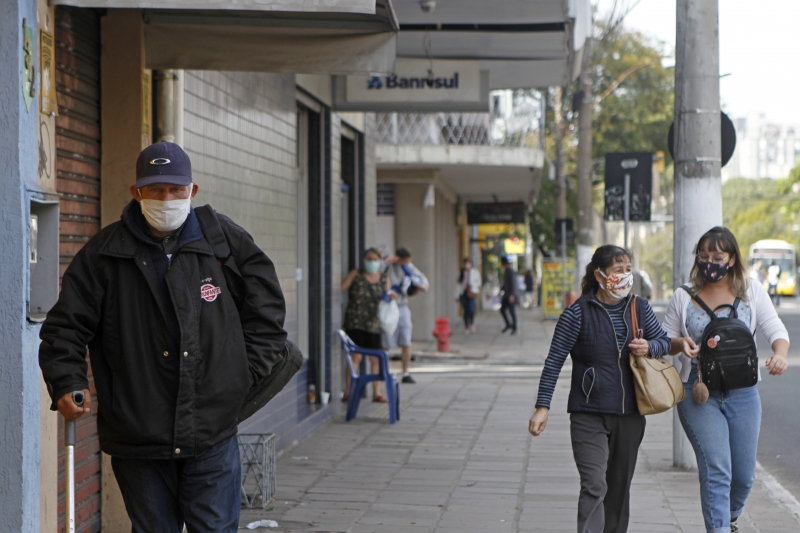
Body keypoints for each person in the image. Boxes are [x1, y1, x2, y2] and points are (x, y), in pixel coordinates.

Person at [38, 141, 287, 532]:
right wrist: (67, 382)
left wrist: (239, 377)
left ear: (193, 191)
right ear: (137, 193)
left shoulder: (225, 243)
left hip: (211, 430)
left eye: (175, 189)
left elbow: (266, 315)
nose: (166, 198)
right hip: (139, 433)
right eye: (156, 190)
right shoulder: (104, 254)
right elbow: (65, 327)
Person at [528, 245, 671, 533]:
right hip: (588, 413)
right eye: (618, 270)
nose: (625, 276)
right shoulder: (576, 313)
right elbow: (554, 360)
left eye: (628, 270)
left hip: (630, 413)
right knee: (594, 484)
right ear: (600, 274)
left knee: (618, 489)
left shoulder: (639, 308)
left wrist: (649, 346)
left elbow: (664, 342)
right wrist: (542, 407)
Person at [663, 227, 789, 533]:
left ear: (731, 259)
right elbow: (662, 341)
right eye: (703, 256)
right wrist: (681, 344)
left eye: (717, 257)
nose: (710, 262)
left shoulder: (751, 291)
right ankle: (718, 527)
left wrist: (780, 355)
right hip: (699, 391)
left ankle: (728, 516)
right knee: (717, 468)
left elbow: (777, 332)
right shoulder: (683, 296)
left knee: (744, 476)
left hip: (744, 393)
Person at [342, 248, 394, 402]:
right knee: (355, 356)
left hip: (374, 324)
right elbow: (341, 288)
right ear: (364, 260)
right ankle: (348, 391)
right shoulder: (356, 274)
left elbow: (389, 299)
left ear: (379, 261)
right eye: (369, 259)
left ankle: (376, 392)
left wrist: (391, 297)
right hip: (355, 322)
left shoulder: (384, 279)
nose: (372, 262)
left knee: (375, 359)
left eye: (375, 259)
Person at [383, 247, 429, 384]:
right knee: (386, 341)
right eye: (404, 261)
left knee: (406, 340)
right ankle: (386, 372)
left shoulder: (407, 267)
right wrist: (386, 262)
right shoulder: (387, 265)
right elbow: (376, 273)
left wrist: (420, 286)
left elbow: (424, 281)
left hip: (402, 306)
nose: (406, 264)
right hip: (387, 305)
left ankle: (406, 372)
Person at [458, 257, 481, 333]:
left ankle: (472, 322)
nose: (467, 265)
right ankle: (466, 326)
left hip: (472, 292)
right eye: (466, 263)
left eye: (468, 263)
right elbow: (458, 283)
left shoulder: (475, 272)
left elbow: (479, 282)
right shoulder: (462, 272)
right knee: (465, 310)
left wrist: (472, 285)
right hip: (463, 293)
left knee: (471, 309)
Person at [499, 256, 519, 334]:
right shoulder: (506, 270)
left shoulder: (510, 270)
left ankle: (514, 328)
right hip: (507, 295)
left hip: (511, 295)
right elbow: (506, 283)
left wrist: (512, 295)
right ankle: (508, 324)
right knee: (502, 309)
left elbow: (513, 284)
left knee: (512, 311)